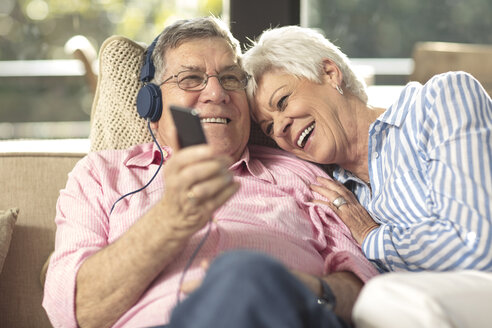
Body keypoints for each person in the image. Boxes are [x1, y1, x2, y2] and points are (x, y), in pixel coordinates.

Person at [42, 17, 378, 328]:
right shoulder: (102, 176)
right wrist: (170, 219)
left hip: (286, 316)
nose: (217, 94)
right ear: (153, 107)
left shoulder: (302, 174)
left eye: (231, 79)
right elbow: (74, 312)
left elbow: (365, 286)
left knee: (243, 274)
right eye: (191, 79)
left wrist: (308, 289)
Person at [242, 25, 492, 327]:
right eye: (269, 128)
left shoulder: (440, 101)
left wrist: (372, 235)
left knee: (379, 299)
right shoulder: (331, 195)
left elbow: (474, 248)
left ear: (330, 73)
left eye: (282, 102)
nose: (279, 128)